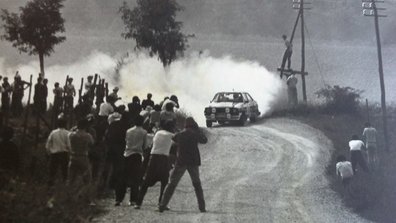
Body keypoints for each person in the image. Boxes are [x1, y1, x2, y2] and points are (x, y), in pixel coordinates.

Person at [159, 117, 208, 213]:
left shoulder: (180, 134)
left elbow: (174, 139)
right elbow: (204, 140)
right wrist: (197, 130)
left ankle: (162, 205)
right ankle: (202, 207)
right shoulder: (195, 134)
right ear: (194, 125)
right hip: (193, 162)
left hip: (181, 161)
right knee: (197, 184)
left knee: (172, 184)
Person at [134, 121, 175, 209]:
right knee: (164, 181)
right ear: (171, 128)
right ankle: (161, 203)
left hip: (153, 157)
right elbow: (175, 147)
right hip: (163, 159)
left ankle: (138, 202)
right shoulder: (171, 135)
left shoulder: (158, 133)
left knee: (147, 180)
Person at [116, 115, 147, 206]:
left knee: (123, 177)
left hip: (127, 154)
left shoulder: (128, 131)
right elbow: (144, 146)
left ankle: (119, 199)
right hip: (137, 155)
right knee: (135, 179)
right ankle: (133, 200)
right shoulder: (144, 132)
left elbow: (126, 141)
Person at [105, 112, 129, 202]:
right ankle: (114, 184)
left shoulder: (113, 124)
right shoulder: (127, 126)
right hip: (120, 148)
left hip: (111, 147)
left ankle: (108, 184)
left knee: (110, 166)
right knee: (118, 167)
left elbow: (107, 135)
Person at [45, 118, 71, 186]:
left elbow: (48, 144)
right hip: (64, 154)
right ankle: (64, 184)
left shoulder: (53, 132)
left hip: (54, 154)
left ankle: (50, 185)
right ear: (65, 125)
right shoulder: (67, 133)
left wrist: (48, 152)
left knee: (52, 170)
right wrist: (70, 153)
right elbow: (69, 145)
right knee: (64, 170)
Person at [68, 119, 94, 185]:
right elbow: (92, 143)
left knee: (71, 178)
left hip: (72, 157)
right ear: (86, 126)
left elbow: (68, 135)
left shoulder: (71, 135)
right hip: (83, 157)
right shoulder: (88, 136)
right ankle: (80, 193)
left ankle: (69, 193)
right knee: (87, 179)